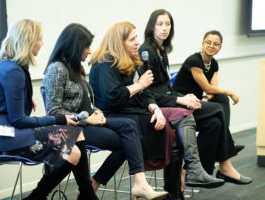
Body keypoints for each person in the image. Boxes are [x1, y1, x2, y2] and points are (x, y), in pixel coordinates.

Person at [88, 21, 224, 200]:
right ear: (118, 42)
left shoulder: (131, 60)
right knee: (174, 136)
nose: (137, 42)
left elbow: (146, 93)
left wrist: (156, 109)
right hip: (117, 115)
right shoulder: (105, 63)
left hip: (137, 110)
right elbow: (113, 98)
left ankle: (193, 169)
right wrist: (139, 85)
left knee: (184, 114)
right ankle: (174, 194)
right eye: (132, 39)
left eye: (136, 38)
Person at [41, 23, 167, 200]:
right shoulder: (56, 69)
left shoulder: (76, 68)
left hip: (86, 121)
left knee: (130, 129)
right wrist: (86, 118)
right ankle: (92, 188)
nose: (90, 51)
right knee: (128, 140)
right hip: (72, 128)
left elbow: (85, 103)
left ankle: (136, 184)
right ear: (75, 46)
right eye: (87, 46)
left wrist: (95, 111)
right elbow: (53, 112)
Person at [0, 19, 98, 200]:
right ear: (28, 40)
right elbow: (18, 120)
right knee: (72, 153)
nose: (42, 43)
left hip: (2, 130)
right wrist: (59, 119)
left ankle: (84, 196)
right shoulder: (13, 70)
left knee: (76, 132)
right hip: (5, 136)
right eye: (40, 39)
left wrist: (21, 96)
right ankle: (38, 196)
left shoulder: (4, 62)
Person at [138, 9, 252, 187]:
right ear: (151, 27)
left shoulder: (161, 51)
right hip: (162, 109)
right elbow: (149, 93)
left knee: (214, 124)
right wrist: (181, 100)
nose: (164, 28)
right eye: (160, 24)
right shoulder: (146, 52)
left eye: (168, 24)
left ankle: (193, 172)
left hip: (174, 101)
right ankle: (224, 164)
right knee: (218, 108)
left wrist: (185, 97)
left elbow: (167, 88)